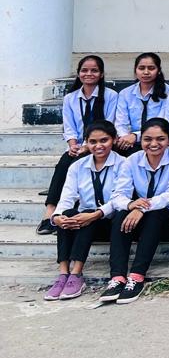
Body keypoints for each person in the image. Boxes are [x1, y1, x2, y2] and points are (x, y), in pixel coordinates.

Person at [100, 118, 169, 305]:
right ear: (141, 140)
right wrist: (131, 205)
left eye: (160, 139)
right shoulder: (132, 160)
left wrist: (141, 208)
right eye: (148, 139)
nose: (154, 144)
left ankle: (137, 276)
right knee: (120, 215)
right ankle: (117, 277)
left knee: (155, 214)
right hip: (142, 213)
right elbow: (118, 194)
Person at [45, 121, 127, 302]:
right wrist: (56, 217)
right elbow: (67, 196)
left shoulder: (123, 164)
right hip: (83, 222)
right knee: (66, 213)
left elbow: (120, 198)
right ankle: (63, 273)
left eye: (104, 140)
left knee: (88, 213)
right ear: (86, 143)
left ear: (114, 139)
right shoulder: (77, 166)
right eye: (93, 142)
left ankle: (76, 273)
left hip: (110, 221)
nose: (98, 146)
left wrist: (96, 214)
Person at [39, 55, 119, 235]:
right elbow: (69, 127)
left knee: (73, 163)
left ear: (101, 74)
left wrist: (87, 146)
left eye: (94, 70)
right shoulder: (70, 98)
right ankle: (50, 212)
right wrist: (73, 145)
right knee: (65, 161)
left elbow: (109, 124)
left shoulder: (111, 96)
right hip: (78, 145)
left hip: (100, 144)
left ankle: (67, 212)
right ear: (78, 73)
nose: (89, 74)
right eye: (84, 70)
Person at [112, 52, 169, 152]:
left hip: (157, 140)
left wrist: (136, 136)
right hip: (129, 142)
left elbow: (164, 123)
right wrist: (125, 138)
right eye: (141, 68)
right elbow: (121, 123)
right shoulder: (125, 93)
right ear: (135, 70)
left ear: (159, 71)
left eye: (151, 68)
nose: (146, 72)